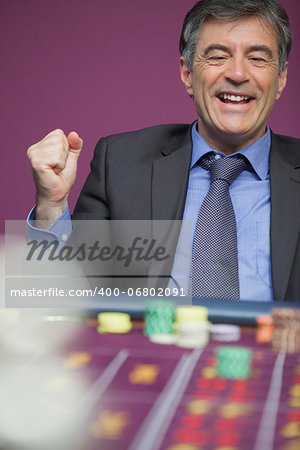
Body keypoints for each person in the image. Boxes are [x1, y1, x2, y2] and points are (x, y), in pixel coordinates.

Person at [27, 0, 300, 302]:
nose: (237, 73)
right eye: (218, 56)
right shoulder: (120, 163)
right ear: (187, 74)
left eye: (258, 59)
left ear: (281, 78)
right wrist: (51, 206)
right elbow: (62, 298)